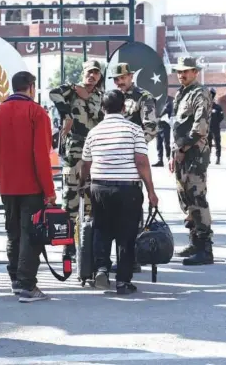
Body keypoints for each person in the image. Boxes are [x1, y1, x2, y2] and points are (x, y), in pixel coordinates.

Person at [0, 71, 56, 303]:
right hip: (32, 184)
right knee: (30, 235)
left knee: (13, 233)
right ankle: (27, 285)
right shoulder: (37, 112)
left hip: (6, 183)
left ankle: (15, 279)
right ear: (31, 87)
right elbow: (42, 155)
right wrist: (50, 191)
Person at [79, 89, 159, 294]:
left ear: (102, 108)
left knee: (101, 229)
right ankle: (123, 281)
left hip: (99, 187)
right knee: (127, 234)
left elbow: (85, 164)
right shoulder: (134, 130)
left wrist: (82, 185)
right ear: (124, 108)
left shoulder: (94, 132)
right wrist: (151, 191)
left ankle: (102, 269)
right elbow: (141, 162)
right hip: (127, 189)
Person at [49, 60, 104, 262]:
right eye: (90, 72)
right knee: (70, 199)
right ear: (83, 73)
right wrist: (66, 114)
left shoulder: (100, 96)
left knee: (92, 199)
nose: (93, 76)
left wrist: (89, 99)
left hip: (93, 153)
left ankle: (89, 244)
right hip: (74, 152)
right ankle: (68, 246)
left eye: (96, 73)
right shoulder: (71, 91)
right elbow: (53, 93)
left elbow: (101, 119)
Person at [168, 56, 214, 266]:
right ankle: (194, 242)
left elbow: (200, 128)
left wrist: (183, 148)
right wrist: (173, 153)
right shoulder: (181, 94)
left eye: (186, 71)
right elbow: (176, 126)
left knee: (197, 198)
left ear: (196, 72)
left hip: (194, 154)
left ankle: (205, 248)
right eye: (179, 71)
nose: (182, 74)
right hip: (181, 155)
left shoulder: (200, 93)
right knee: (185, 198)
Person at [154, 96, 174, 167]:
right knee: (158, 144)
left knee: (166, 143)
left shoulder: (168, 99)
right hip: (158, 125)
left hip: (165, 125)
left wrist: (159, 115)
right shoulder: (155, 99)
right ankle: (160, 160)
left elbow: (168, 109)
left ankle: (169, 159)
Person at [207, 88, 224, 165]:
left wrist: (215, 122)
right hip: (207, 128)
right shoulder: (206, 107)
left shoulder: (218, 107)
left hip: (215, 128)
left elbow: (221, 117)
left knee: (217, 144)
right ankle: (208, 158)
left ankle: (218, 158)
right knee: (208, 144)